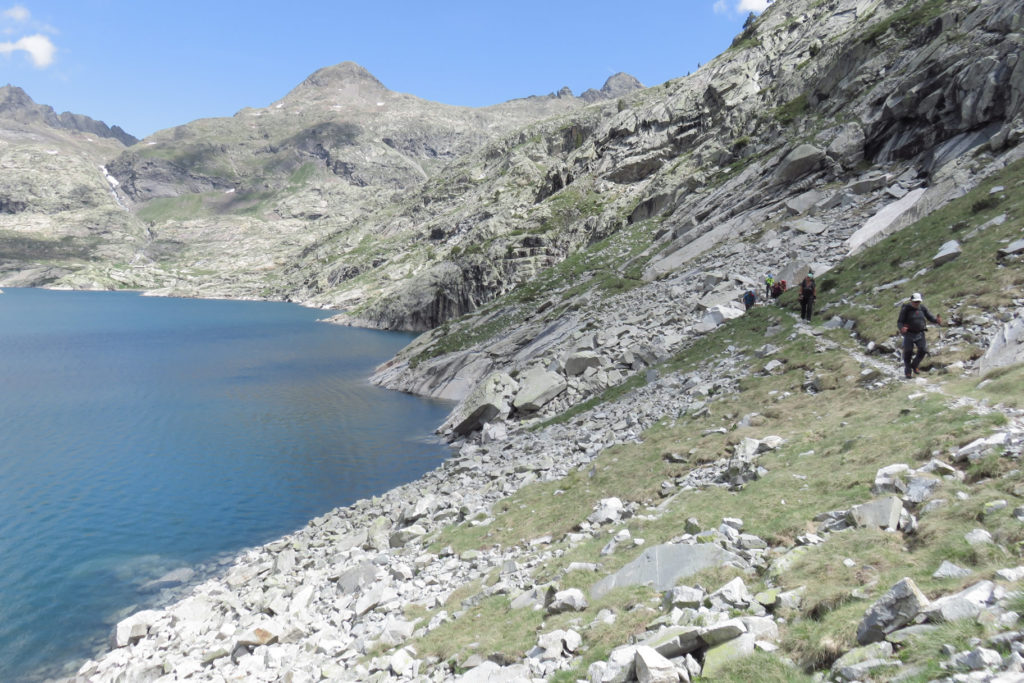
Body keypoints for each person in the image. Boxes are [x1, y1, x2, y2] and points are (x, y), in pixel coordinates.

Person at [896, 292, 943, 379]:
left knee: (923, 350)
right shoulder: (906, 309)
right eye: (915, 302)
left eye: (918, 302)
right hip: (909, 333)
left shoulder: (922, 308)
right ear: (911, 301)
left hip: (920, 333)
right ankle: (908, 371)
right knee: (908, 352)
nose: (917, 303)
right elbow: (900, 322)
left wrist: (936, 320)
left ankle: (914, 365)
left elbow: (930, 317)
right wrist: (902, 328)